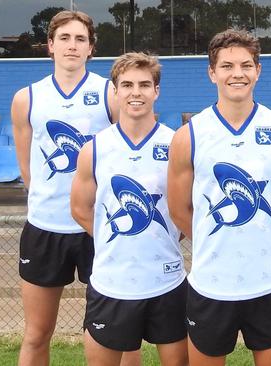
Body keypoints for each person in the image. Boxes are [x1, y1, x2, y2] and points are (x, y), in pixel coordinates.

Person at [167, 29, 271, 366]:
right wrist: (220, 239)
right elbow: (179, 209)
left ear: (258, 70)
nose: (237, 74)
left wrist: (256, 231)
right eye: (227, 66)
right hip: (212, 283)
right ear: (212, 72)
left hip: (269, 282)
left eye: (246, 65)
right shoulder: (189, 136)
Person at [9, 10, 130, 366]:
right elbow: (27, 165)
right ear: (50, 45)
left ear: (91, 48)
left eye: (80, 39)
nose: (72, 46)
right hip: (46, 229)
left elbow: (127, 152)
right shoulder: (26, 99)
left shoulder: (110, 93)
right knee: (36, 333)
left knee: (120, 336)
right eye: (64, 38)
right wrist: (52, 200)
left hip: (98, 228)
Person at [70, 52, 188, 366]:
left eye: (144, 85)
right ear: (115, 91)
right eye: (127, 85)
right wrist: (119, 237)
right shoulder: (94, 149)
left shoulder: (177, 144)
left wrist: (163, 239)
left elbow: (187, 210)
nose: (136, 92)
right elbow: (81, 208)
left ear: (156, 91)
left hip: (167, 281)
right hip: (112, 283)